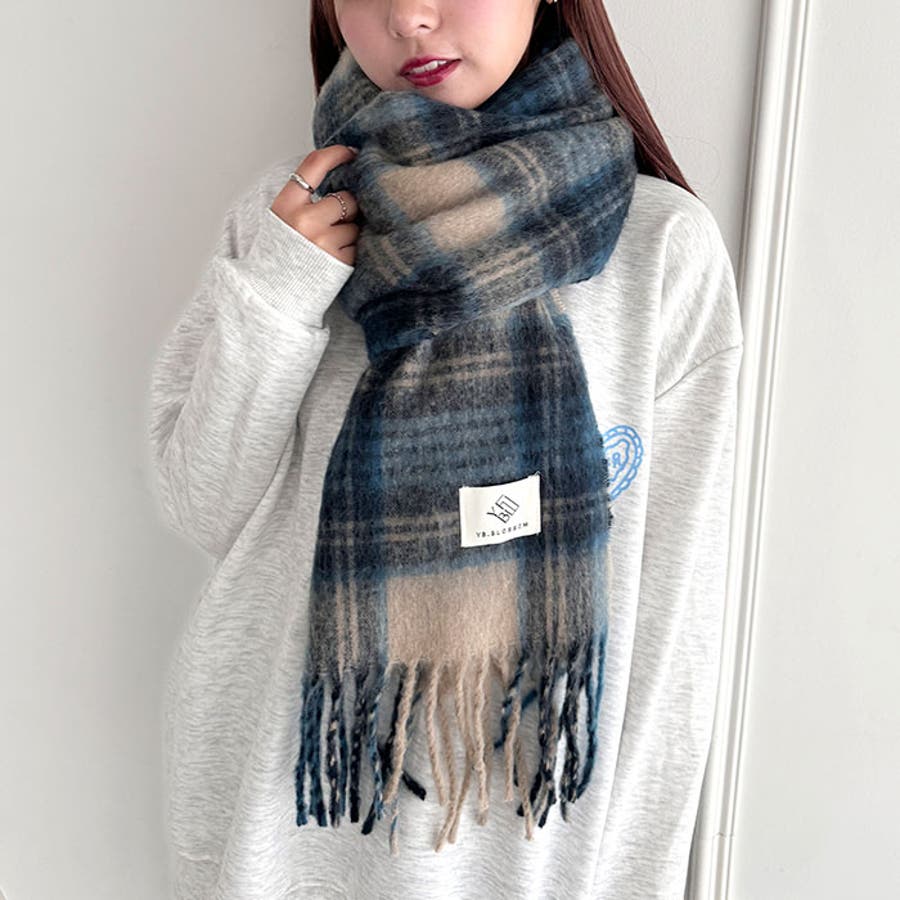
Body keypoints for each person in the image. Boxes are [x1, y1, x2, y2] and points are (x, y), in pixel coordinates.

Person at [147, 0, 744, 897]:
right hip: (279, 830)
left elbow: (674, 628)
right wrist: (280, 288)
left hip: (528, 856)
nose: (409, 17)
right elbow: (201, 504)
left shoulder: (661, 249)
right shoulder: (293, 218)